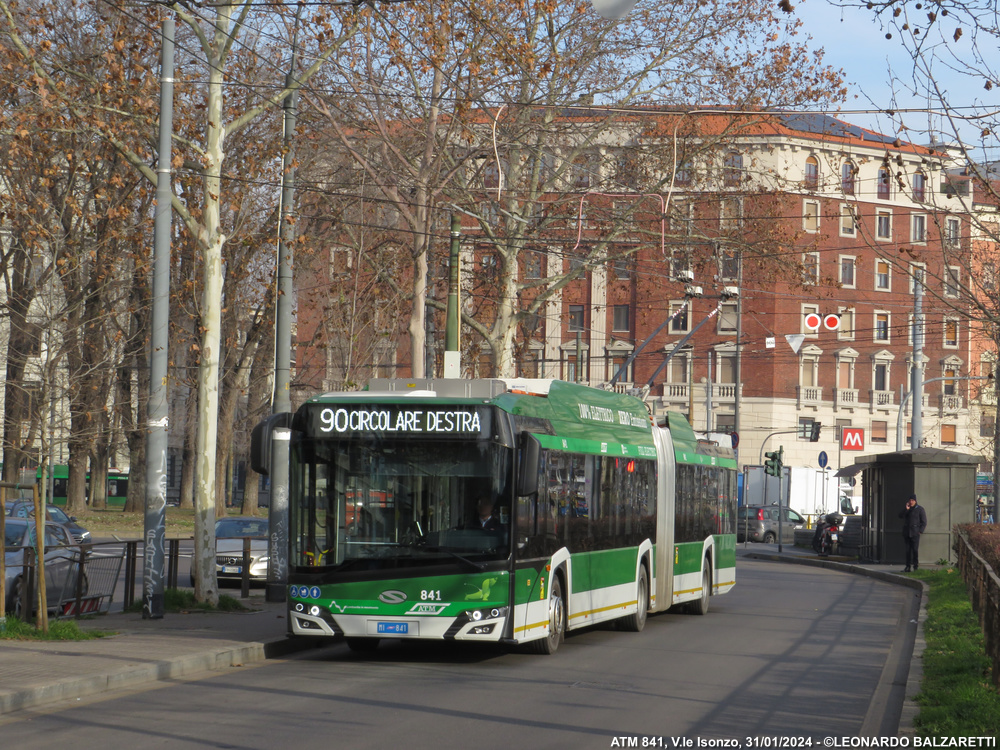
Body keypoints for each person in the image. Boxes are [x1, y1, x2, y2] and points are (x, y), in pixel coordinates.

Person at [898, 494, 927, 572]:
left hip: (915, 533)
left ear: (915, 501)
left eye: (913, 500)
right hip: (907, 532)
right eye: (910, 500)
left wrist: (920, 531)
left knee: (915, 550)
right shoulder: (907, 509)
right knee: (907, 551)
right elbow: (900, 516)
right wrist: (906, 509)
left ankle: (915, 566)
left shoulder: (920, 509)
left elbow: (924, 522)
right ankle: (907, 566)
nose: (911, 502)